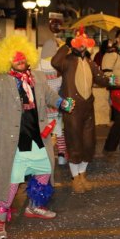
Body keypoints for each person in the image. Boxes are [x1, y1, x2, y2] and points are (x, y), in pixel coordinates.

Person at [0, 35, 74, 239]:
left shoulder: (37, 76)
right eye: (14, 57)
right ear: (6, 60)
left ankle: (34, 206)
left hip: (38, 137)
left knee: (44, 171)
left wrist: (63, 103)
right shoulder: (0, 80)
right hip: (14, 141)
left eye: (22, 56)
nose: (20, 60)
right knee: (11, 182)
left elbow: (49, 96)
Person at [51, 27, 110, 193]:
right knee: (74, 142)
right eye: (79, 42)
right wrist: (67, 45)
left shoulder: (90, 62)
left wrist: (118, 81)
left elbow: (102, 79)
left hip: (88, 108)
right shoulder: (67, 60)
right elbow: (55, 62)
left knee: (89, 143)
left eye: (84, 42)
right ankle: (75, 178)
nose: (82, 45)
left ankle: (83, 175)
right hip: (73, 108)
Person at [40, 19, 67, 165]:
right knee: (59, 130)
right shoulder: (60, 67)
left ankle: (45, 155)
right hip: (57, 103)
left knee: (45, 131)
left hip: (44, 105)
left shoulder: (37, 67)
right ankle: (62, 155)